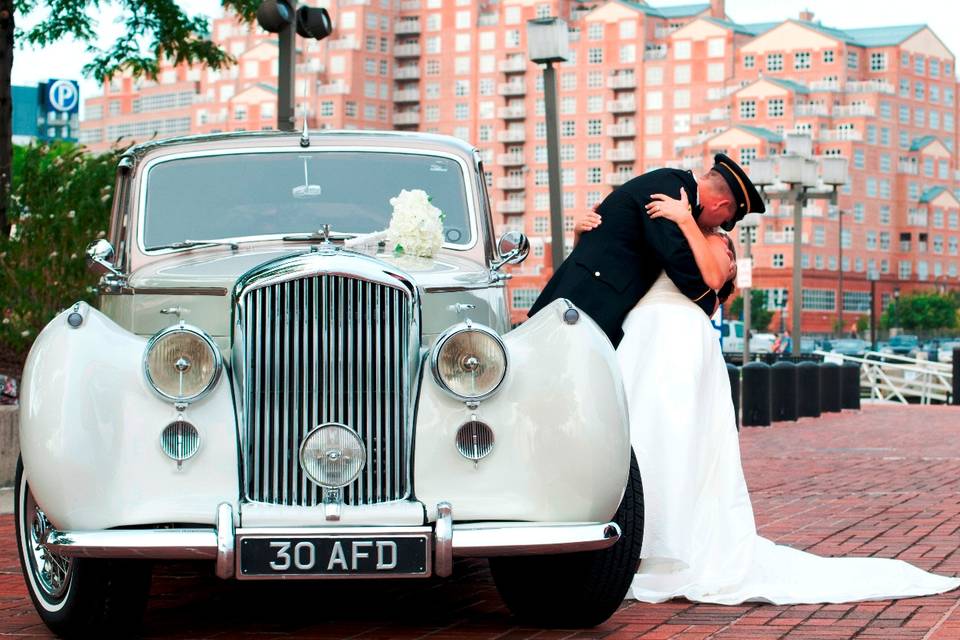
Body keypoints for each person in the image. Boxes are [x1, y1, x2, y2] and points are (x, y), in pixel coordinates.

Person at [615, 188, 960, 605]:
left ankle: (672, 549)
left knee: (680, 441)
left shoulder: (721, 247)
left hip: (679, 343)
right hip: (641, 341)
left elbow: (711, 279)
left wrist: (687, 221)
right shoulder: (665, 244)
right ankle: (634, 544)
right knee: (639, 440)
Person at [528, 153, 761, 347]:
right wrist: (709, 302)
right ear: (722, 205)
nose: (715, 227)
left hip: (590, 303)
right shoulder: (671, 190)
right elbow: (678, 258)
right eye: (724, 220)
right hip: (584, 303)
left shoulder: (672, 187)